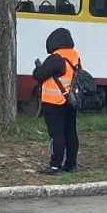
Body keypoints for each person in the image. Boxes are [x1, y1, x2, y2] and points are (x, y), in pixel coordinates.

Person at [32, 27, 81, 175]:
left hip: (55, 102)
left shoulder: (56, 58)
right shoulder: (75, 56)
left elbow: (39, 75)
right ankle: (71, 164)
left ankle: (55, 166)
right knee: (70, 132)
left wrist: (37, 69)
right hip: (71, 100)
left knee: (56, 135)